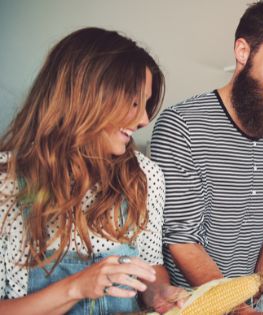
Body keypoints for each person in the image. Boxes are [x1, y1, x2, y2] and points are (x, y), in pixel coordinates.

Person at [150, 0, 263, 312]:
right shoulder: (181, 126)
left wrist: (262, 280)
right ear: (243, 51)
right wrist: (235, 307)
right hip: (192, 304)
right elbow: (181, 239)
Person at [0, 27, 185, 314]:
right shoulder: (8, 183)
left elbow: (151, 268)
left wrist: (155, 292)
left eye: (146, 104)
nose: (144, 119)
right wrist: (76, 287)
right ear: (86, 95)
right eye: (134, 102)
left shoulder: (145, 177)